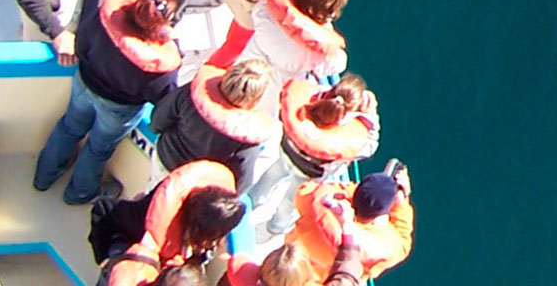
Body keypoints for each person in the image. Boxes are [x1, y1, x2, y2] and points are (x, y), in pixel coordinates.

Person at [34, 0, 181, 204]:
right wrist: (173, 44)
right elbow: (162, 96)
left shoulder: (105, 20)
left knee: (68, 127)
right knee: (98, 149)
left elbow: (82, 42)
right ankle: (79, 193)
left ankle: (44, 177)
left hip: (85, 84)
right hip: (119, 108)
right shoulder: (158, 63)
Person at [244, 75, 379, 236]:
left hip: (287, 153)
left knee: (271, 176)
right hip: (308, 174)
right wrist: (372, 115)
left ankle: (251, 201)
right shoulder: (346, 139)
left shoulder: (311, 99)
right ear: (351, 112)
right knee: (290, 200)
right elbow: (370, 146)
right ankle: (276, 226)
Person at [92, 160, 246, 284]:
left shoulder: (205, 244)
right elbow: (103, 210)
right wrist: (105, 258)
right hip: (130, 269)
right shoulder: (145, 218)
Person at [148, 59, 279, 183]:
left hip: (165, 159)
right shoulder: (247, 135)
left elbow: (159, 119)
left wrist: (154, 129)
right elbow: (242, 178)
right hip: (195, 184)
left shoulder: (193, 93)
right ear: (255, 100)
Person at [284, 165, 415, 281]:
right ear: (380, 214)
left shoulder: (318, 201)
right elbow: (403, 241)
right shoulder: (383, 247)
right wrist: (401, 202)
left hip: (290, 268)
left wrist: (349, 192)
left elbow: (304, 190)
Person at [239, 0, 349, 86]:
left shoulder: (265, 9)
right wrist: (325, 29)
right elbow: (338, 64)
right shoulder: (323, 53)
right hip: (277, 89)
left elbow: (267, 8)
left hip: (246, 67)